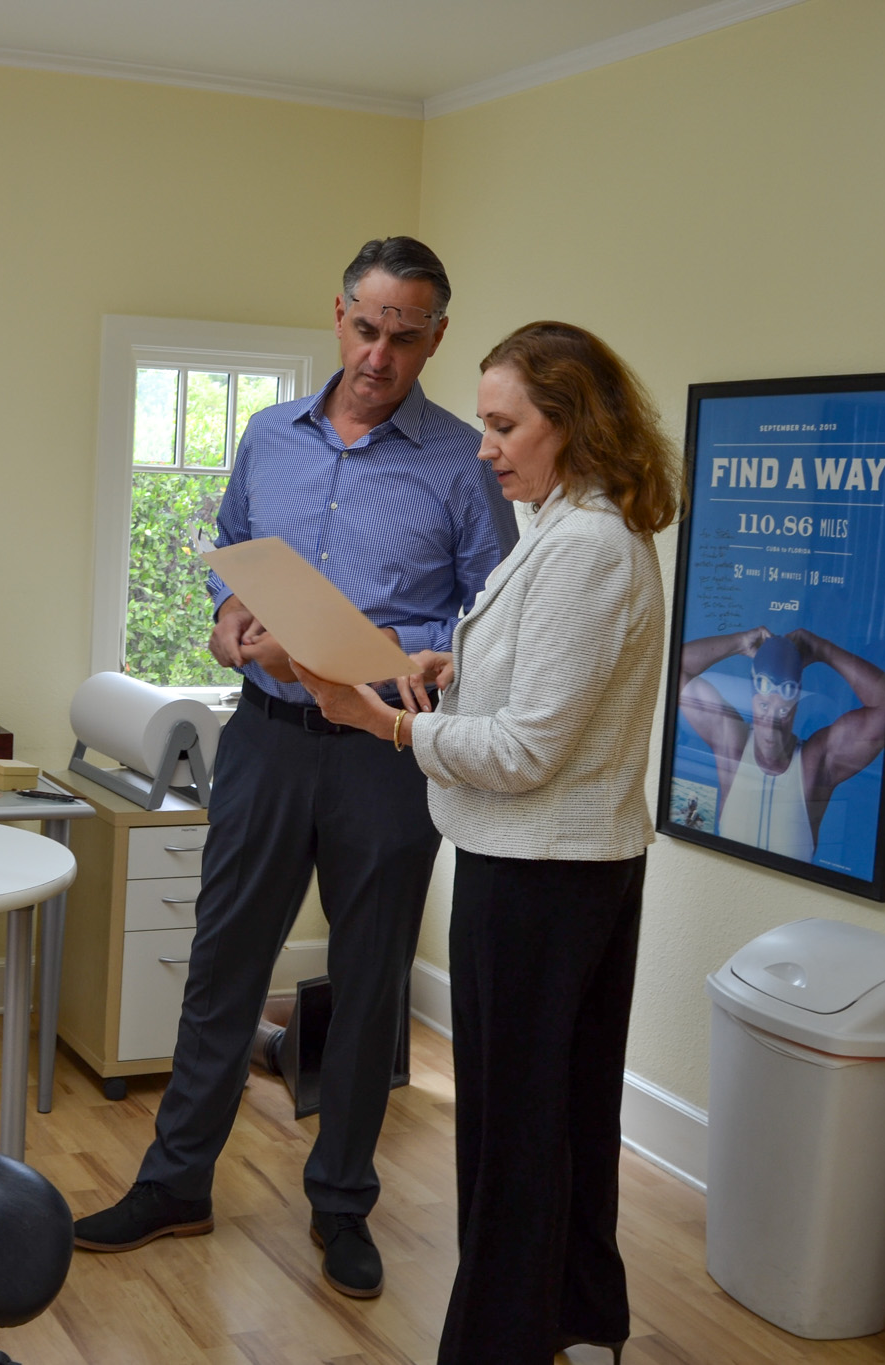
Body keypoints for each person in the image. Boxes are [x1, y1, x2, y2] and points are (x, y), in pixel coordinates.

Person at [72, 237, 515, 1300]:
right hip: (265, 741)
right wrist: (229, 618)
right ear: (338, 315)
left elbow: (491, 618)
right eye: (365, 328)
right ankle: (175, 1183)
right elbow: (232, 551)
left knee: (367, 985)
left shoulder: (465, 464)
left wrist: (402, 651)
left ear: (435, 339)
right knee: (222, 966)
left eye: (404, 337)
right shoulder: (268, 437)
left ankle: (341, 1203)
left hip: (385, 756)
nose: (378, 355)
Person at [297, 321, 682, 1363]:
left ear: (572, 425)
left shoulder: (584, 547)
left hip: (538, 877)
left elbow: (524, 752)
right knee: (564, 1118)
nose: (484, 447)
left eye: (506, 426)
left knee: (513, 1135)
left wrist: (380, 721)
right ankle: (580, 1325)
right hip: (570, 871)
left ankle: (498, 1342)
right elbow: (550, 693)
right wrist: (451, 669)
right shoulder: (574, 527)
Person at [677, 625, 885, 856]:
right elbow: (675, 667)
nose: (771, 726)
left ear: (796, 707)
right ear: (752, 701)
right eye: (764, 706)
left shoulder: (814, 766)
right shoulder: (732, 745)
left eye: (783, 711)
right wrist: (740, 643)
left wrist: (821, 649)